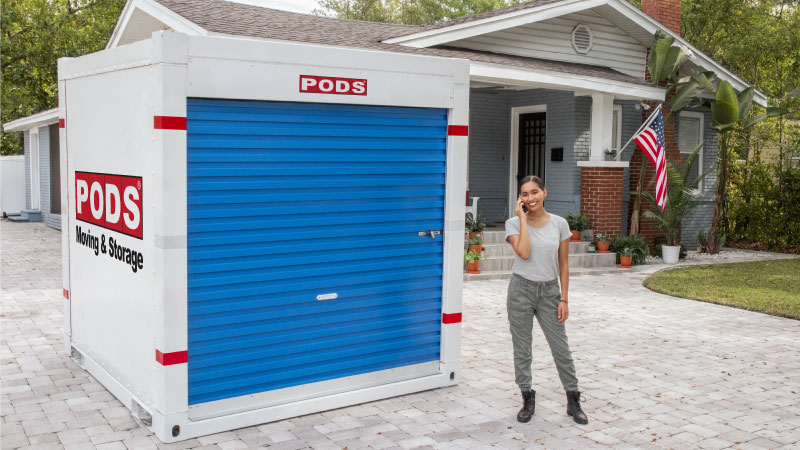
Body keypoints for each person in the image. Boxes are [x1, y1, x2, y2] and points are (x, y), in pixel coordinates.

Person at [504, 175, 588, 425]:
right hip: (520, 290)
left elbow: (563, 264)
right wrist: (522, 219)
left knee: (561, 348)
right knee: (522, 349)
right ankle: (527, 397)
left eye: (534, 192)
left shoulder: (560, 224)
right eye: (525, 194)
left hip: (550, 292)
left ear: (544, 193)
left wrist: (565, 299)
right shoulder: (513, 223)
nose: (530, 198)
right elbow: (525, 252)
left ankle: (573, 400)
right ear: (520, 199)